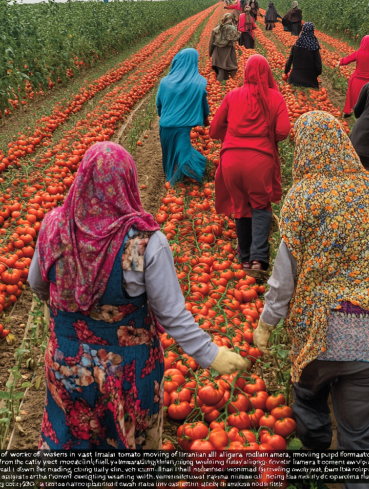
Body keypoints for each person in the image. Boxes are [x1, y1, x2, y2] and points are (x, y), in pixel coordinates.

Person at [29, 142, 249, 450]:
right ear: (128, 181)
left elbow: (37, 284)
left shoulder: (54, 226)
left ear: (83, 177)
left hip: (67, 362)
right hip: (126, 372)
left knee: (72, 442)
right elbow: (170, 313)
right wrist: (210, 354)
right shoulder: (145, 242)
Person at [253, 111, 369, 482]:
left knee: (309, 396)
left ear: (304, 150)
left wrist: (266, 324)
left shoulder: (302, 198)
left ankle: (315, 455)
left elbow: (283, 279)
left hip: (322, 332)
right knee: (361, 439)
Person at [210, 55, 290, 272]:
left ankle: (244, 259)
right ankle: (258, 260)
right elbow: (283, 130)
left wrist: (233, 135)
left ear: (245, 72)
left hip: (231, 162)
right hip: (259, 161)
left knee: (241, 206)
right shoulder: (275, 98)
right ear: (267, 73)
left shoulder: (232, 96)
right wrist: (267, 136)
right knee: (260, 205)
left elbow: (214, 130)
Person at [156, 48, 209, 186]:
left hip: (165, 125)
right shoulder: (200, 82)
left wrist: (164, 115)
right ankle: (181, 179)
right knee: (184, 154)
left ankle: (175, 176)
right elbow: (204, 105)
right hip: (182, 127)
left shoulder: (164, 82)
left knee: (171, 152)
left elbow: (159, 104)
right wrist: (205, 119)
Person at [338, 35, 369, 118]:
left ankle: (349, 112)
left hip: (357, 81)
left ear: (363, 43)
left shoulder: (358, 53)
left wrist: (340, 62)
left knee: (354, 97)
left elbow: (347, 59)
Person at [284, 22, 322, 89]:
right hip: (310, 81)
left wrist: (286, 72)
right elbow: (319, 66)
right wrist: (314, 75)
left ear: (303, 30)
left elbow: (289, 63)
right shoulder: (314, 47)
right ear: (312, 31)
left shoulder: (296, 46)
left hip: (294, 80)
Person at [209, 13, 241, 82]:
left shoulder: (216, 29)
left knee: (221, 69)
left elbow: (211, 43)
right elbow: (238, 38)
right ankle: (223, 86)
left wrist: (210, 53)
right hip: (228, 52)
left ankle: (219, 86)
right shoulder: (233, 29)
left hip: (217, 52)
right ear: (231, 20)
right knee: (226, 69)